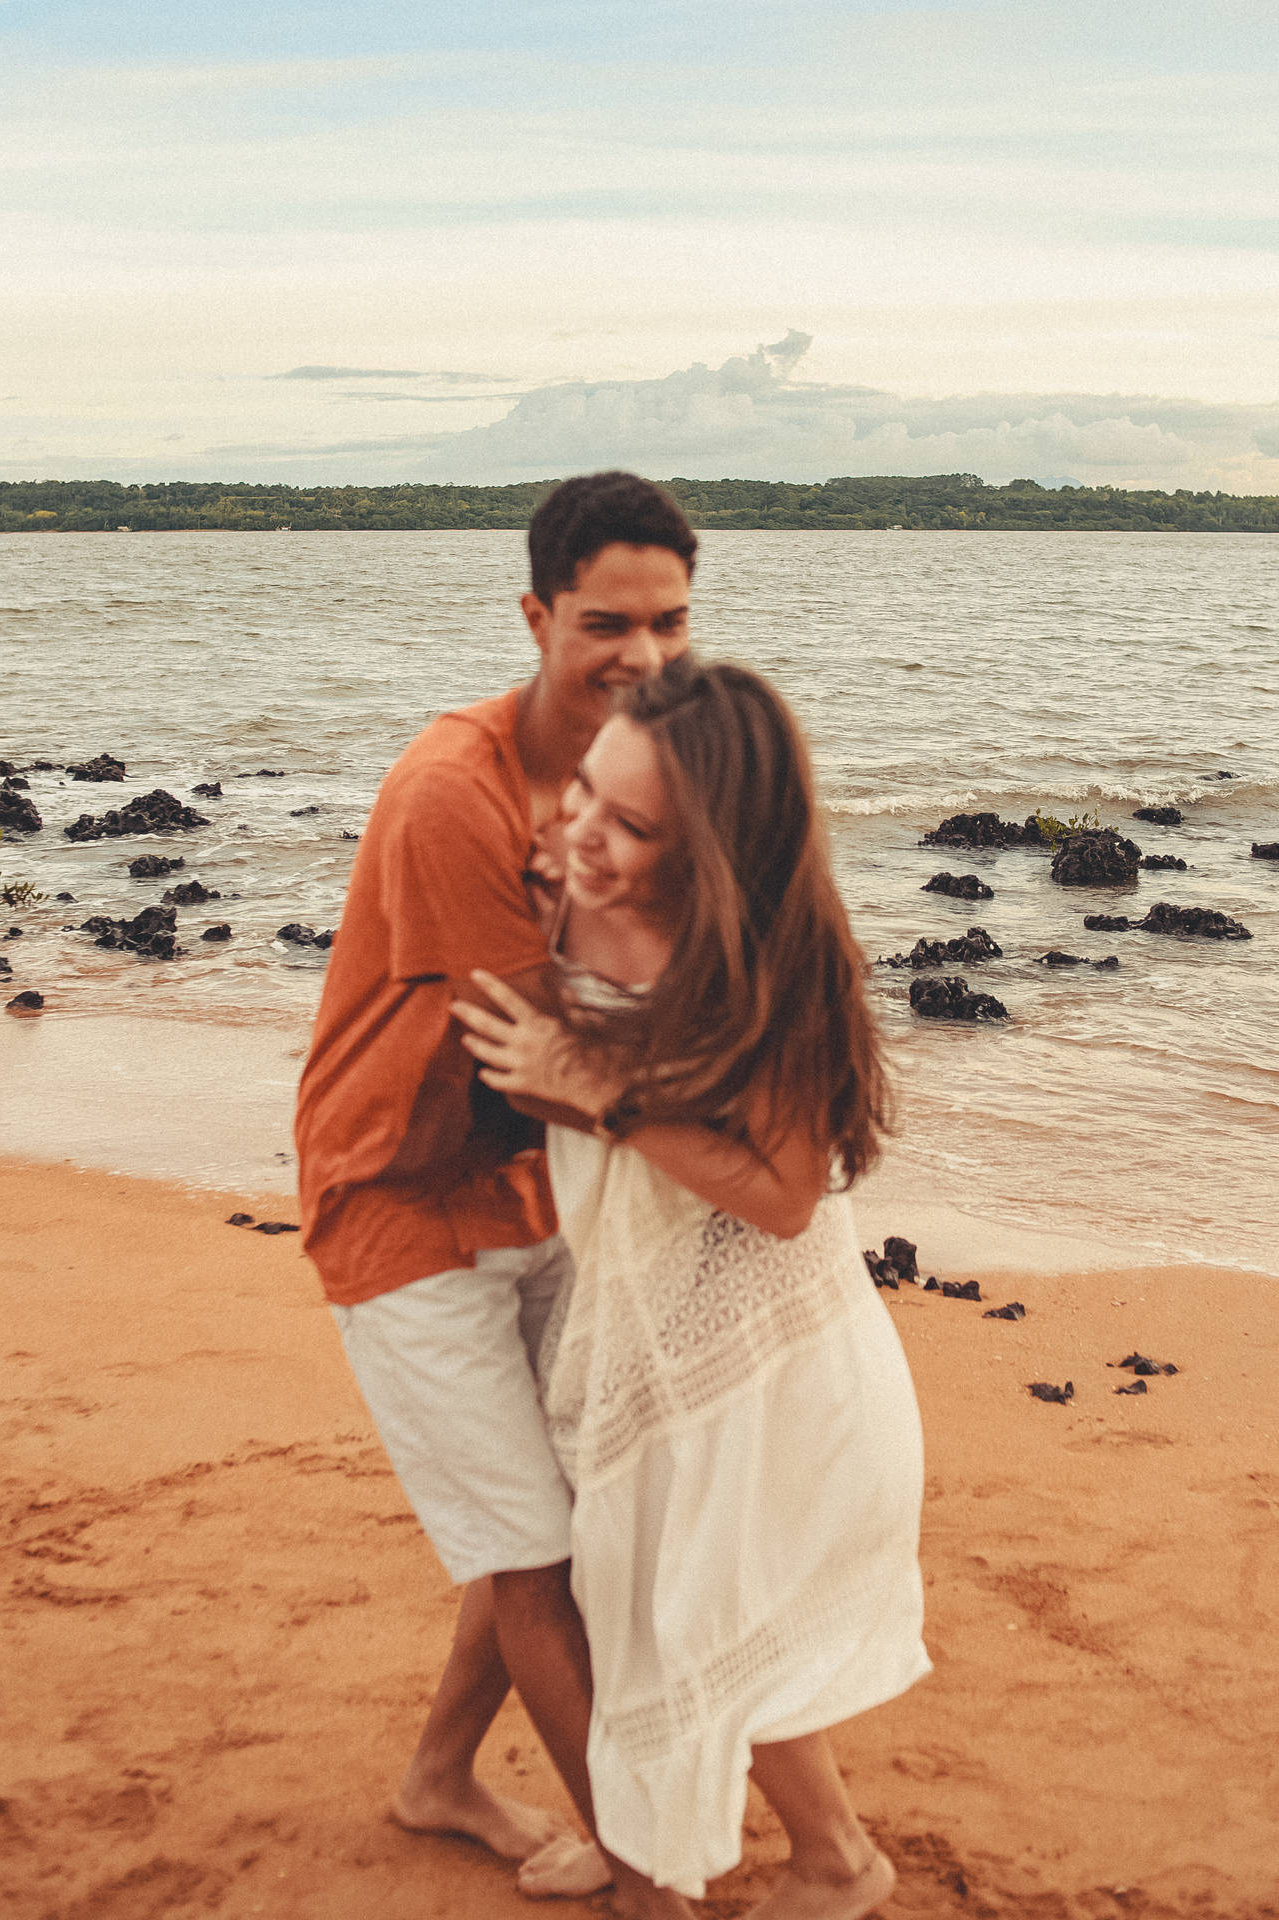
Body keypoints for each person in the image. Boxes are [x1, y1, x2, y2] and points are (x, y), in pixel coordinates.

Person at [453, 658, 930, 1918]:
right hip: (639, 1334)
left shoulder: (767, 969)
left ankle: (812, 1859)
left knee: (701, 1625)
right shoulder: (568, 885)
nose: (582, 831)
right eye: (583, 793)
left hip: (757, 1366)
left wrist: (600, 1098)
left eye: (628, 825)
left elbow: (778, 1196)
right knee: (636, 1599)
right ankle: (760, 1851)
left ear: (711, 849)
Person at [293, 472, 698, 1916]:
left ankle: (439, 1779)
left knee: (560, 1519)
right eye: (607, 623)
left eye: (670, 622)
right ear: (536, 615)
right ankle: (651, 1876)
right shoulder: (446, 794)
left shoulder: (656, 768)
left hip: (540, 1192)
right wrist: (754, 1145)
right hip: (398, 1194)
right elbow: (546, 1060)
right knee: (533, 1556)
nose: (643, 657)